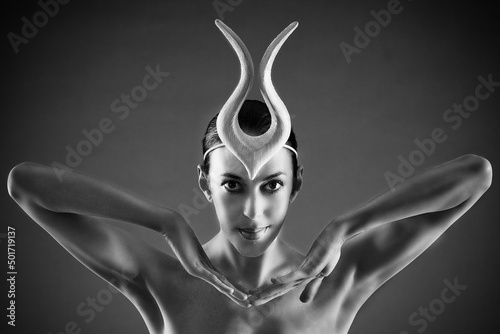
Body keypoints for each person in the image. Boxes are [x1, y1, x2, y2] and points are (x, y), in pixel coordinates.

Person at [7, 20, 492, 334]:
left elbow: (475, 176)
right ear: (205, 182)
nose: (253, 211)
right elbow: (26, 185)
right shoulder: (159, 279)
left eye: (273, 185)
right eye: (232, 184)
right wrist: (164, 221)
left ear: (297, 183)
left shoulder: (339, 280)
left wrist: (346, 226)